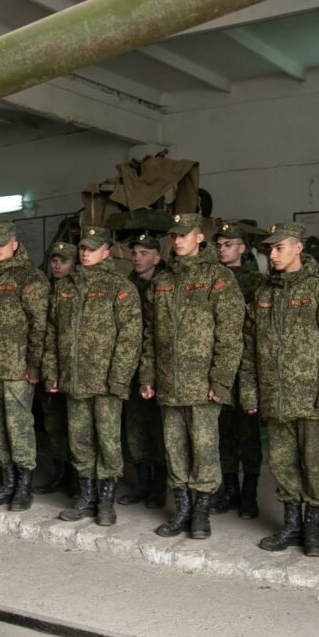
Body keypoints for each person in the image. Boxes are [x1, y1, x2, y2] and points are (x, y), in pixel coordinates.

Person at [240, 222, 319, 557]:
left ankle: (313, 529)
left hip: (312, 400)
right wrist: (250, 392)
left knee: (313, 465)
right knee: (281, 464)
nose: (272, 255)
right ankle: (291, 526)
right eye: (269, 249)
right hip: (275, 399)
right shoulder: (264, 294)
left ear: (298, 248)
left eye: (279, 248)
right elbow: (250, 348)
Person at [139, 213, 244, 540]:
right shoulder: (163, 280)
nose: (178, 240)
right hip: (169, 383)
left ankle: (201, 512)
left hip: (202, 386)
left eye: (185, 235)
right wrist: (148, 374)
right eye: (175, 236)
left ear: (200, 237)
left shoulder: (219, 278)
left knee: (204, 449)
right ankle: (182, 509)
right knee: (175, 449)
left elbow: (230, 335)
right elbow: (149, 334)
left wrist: (221, 380)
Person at [45, 227, 141, 526]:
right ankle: (87, 498)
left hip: (105, 383)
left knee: (108, 443)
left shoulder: (119, 288)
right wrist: (53, 372)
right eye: (83, 248)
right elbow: (51, 334)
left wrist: (119, 379)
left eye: (92, 248)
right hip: (74, 381)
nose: (85, 253)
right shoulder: (65, 289)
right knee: (80, 442)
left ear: (106, 252)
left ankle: (106, 502)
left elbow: (130, 337)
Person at [0, 221, 49, 512]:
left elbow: (39, 327)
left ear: (14, 244)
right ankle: (7, 482)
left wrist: (33, 366)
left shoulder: (30, 278)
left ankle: (24, 485)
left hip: (17, 369)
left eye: (1, 244)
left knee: (18, 428)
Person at [211, 222, 266, 519]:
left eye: (228, 244)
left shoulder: (256, 281)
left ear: (242, 248)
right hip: (220, 366)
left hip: (246, 367)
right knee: (225, 433)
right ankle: (229, 490)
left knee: (249, 435)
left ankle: (250, 493)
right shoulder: (213, 279)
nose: (222, 249)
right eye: (219, 245)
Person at [118, 232, 168, 509]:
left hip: (158, 366)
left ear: (157, 258)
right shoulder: (126, 285)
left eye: (144, 253)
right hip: (132, 365)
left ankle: (159, 487)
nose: (137, 258)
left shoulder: (165, 285)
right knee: (135, 426)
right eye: (135, 253)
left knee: (158, 428)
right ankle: (143, 483)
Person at [33, 242, 76, 495]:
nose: (57, 265)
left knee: (75, 425)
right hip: (49, 369)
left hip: (71, 371)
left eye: (64, 261)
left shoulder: (76, 292)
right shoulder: (45, 289)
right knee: (54, 424)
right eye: (54, 260)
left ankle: (76, 477)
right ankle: (61, 472)